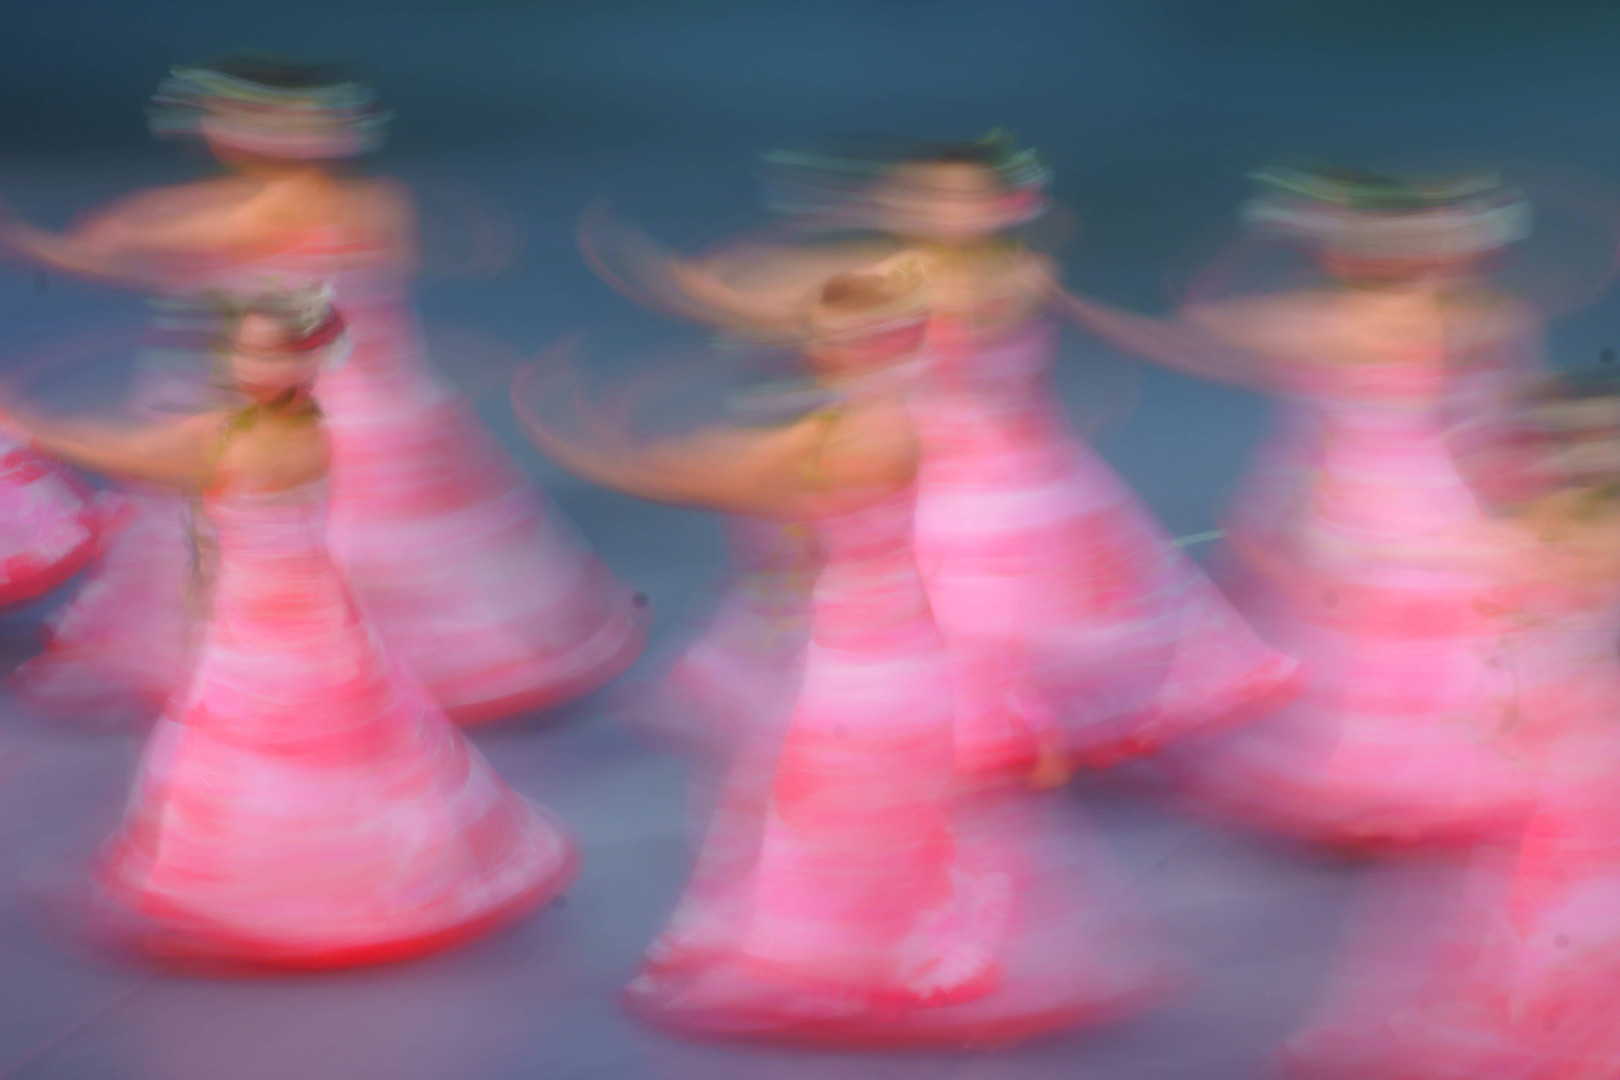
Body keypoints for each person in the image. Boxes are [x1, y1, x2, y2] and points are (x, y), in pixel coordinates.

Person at [516, 271, 1174, 1046]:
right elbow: (736, 468)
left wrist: (603, 447)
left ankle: (878, 961)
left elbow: (749, 478)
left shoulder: (883, 434)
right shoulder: (852, 424)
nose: (828, 354)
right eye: (827, 340)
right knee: (843, 798)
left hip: (890, 650)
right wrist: (603, 444)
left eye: (848, 341)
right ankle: (864, 956)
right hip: (850, 638)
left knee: (856, 796)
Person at [581, 134, 1298, 779]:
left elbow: (905, 296)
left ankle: (996, 746)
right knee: (941, 608)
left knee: (1011, 615)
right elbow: (814, 295)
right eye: (930, 199)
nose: (947, 213)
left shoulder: (1004, 275)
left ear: (1004, 206)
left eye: (963, 200)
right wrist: (693, 283)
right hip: (932, 464)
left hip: (1019, 473)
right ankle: (954, 743)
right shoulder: (907, 274)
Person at [0, 52, 645, 724]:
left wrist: (38, 239)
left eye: (221, 119)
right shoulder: (378, 203)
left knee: (282, 543)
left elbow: (150, 243)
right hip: (392, 402)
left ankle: (316, 683)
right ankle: (399, 671)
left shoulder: (245, 218)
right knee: (386, 552)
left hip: (296, 405)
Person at [1, 286, 576, 968]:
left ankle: (295, 894)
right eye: (241, 350)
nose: (250, 366)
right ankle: (300, 881)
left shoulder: (260, 442)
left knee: (271, 750)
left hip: (281, 628)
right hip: (278, 617)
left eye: (270, 354)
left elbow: (136, 454)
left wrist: (26, 422)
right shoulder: (266, 426)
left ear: (310, 360)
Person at [1065, 166, 1544, 846]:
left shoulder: (1320, 322)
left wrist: (1072, 299)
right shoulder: (1485, 318)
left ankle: (1356, 791)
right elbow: (1511, 418)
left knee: (1348, 641)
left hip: (1352, 502)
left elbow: (1187, 328)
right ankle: (1440, 784)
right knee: (1435, 640)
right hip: (1439, 498)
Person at [1278, 369, 1620, 1078]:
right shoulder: (1543, 541)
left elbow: (1399, 557)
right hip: (1565, 769)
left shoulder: (1527, 539)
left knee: (1519, 915)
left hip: (1553, 768)